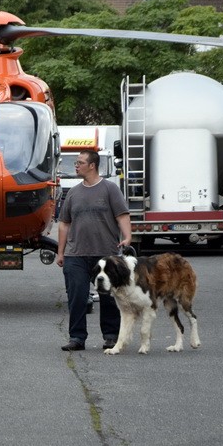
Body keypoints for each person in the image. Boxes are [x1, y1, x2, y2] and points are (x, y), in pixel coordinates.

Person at [55, 150, 132, 351]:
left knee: (108, 297)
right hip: (76, 254)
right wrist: (61, 252)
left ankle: (111, 336)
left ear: (92, 165)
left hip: (105, 254)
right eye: (76, 162)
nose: (76, 165)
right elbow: (64, 223)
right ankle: (77, 338)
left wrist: (128, 237)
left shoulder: (110, 189)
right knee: (77, 297)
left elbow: (122, 215)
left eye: (80, 162)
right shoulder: (73, 192)